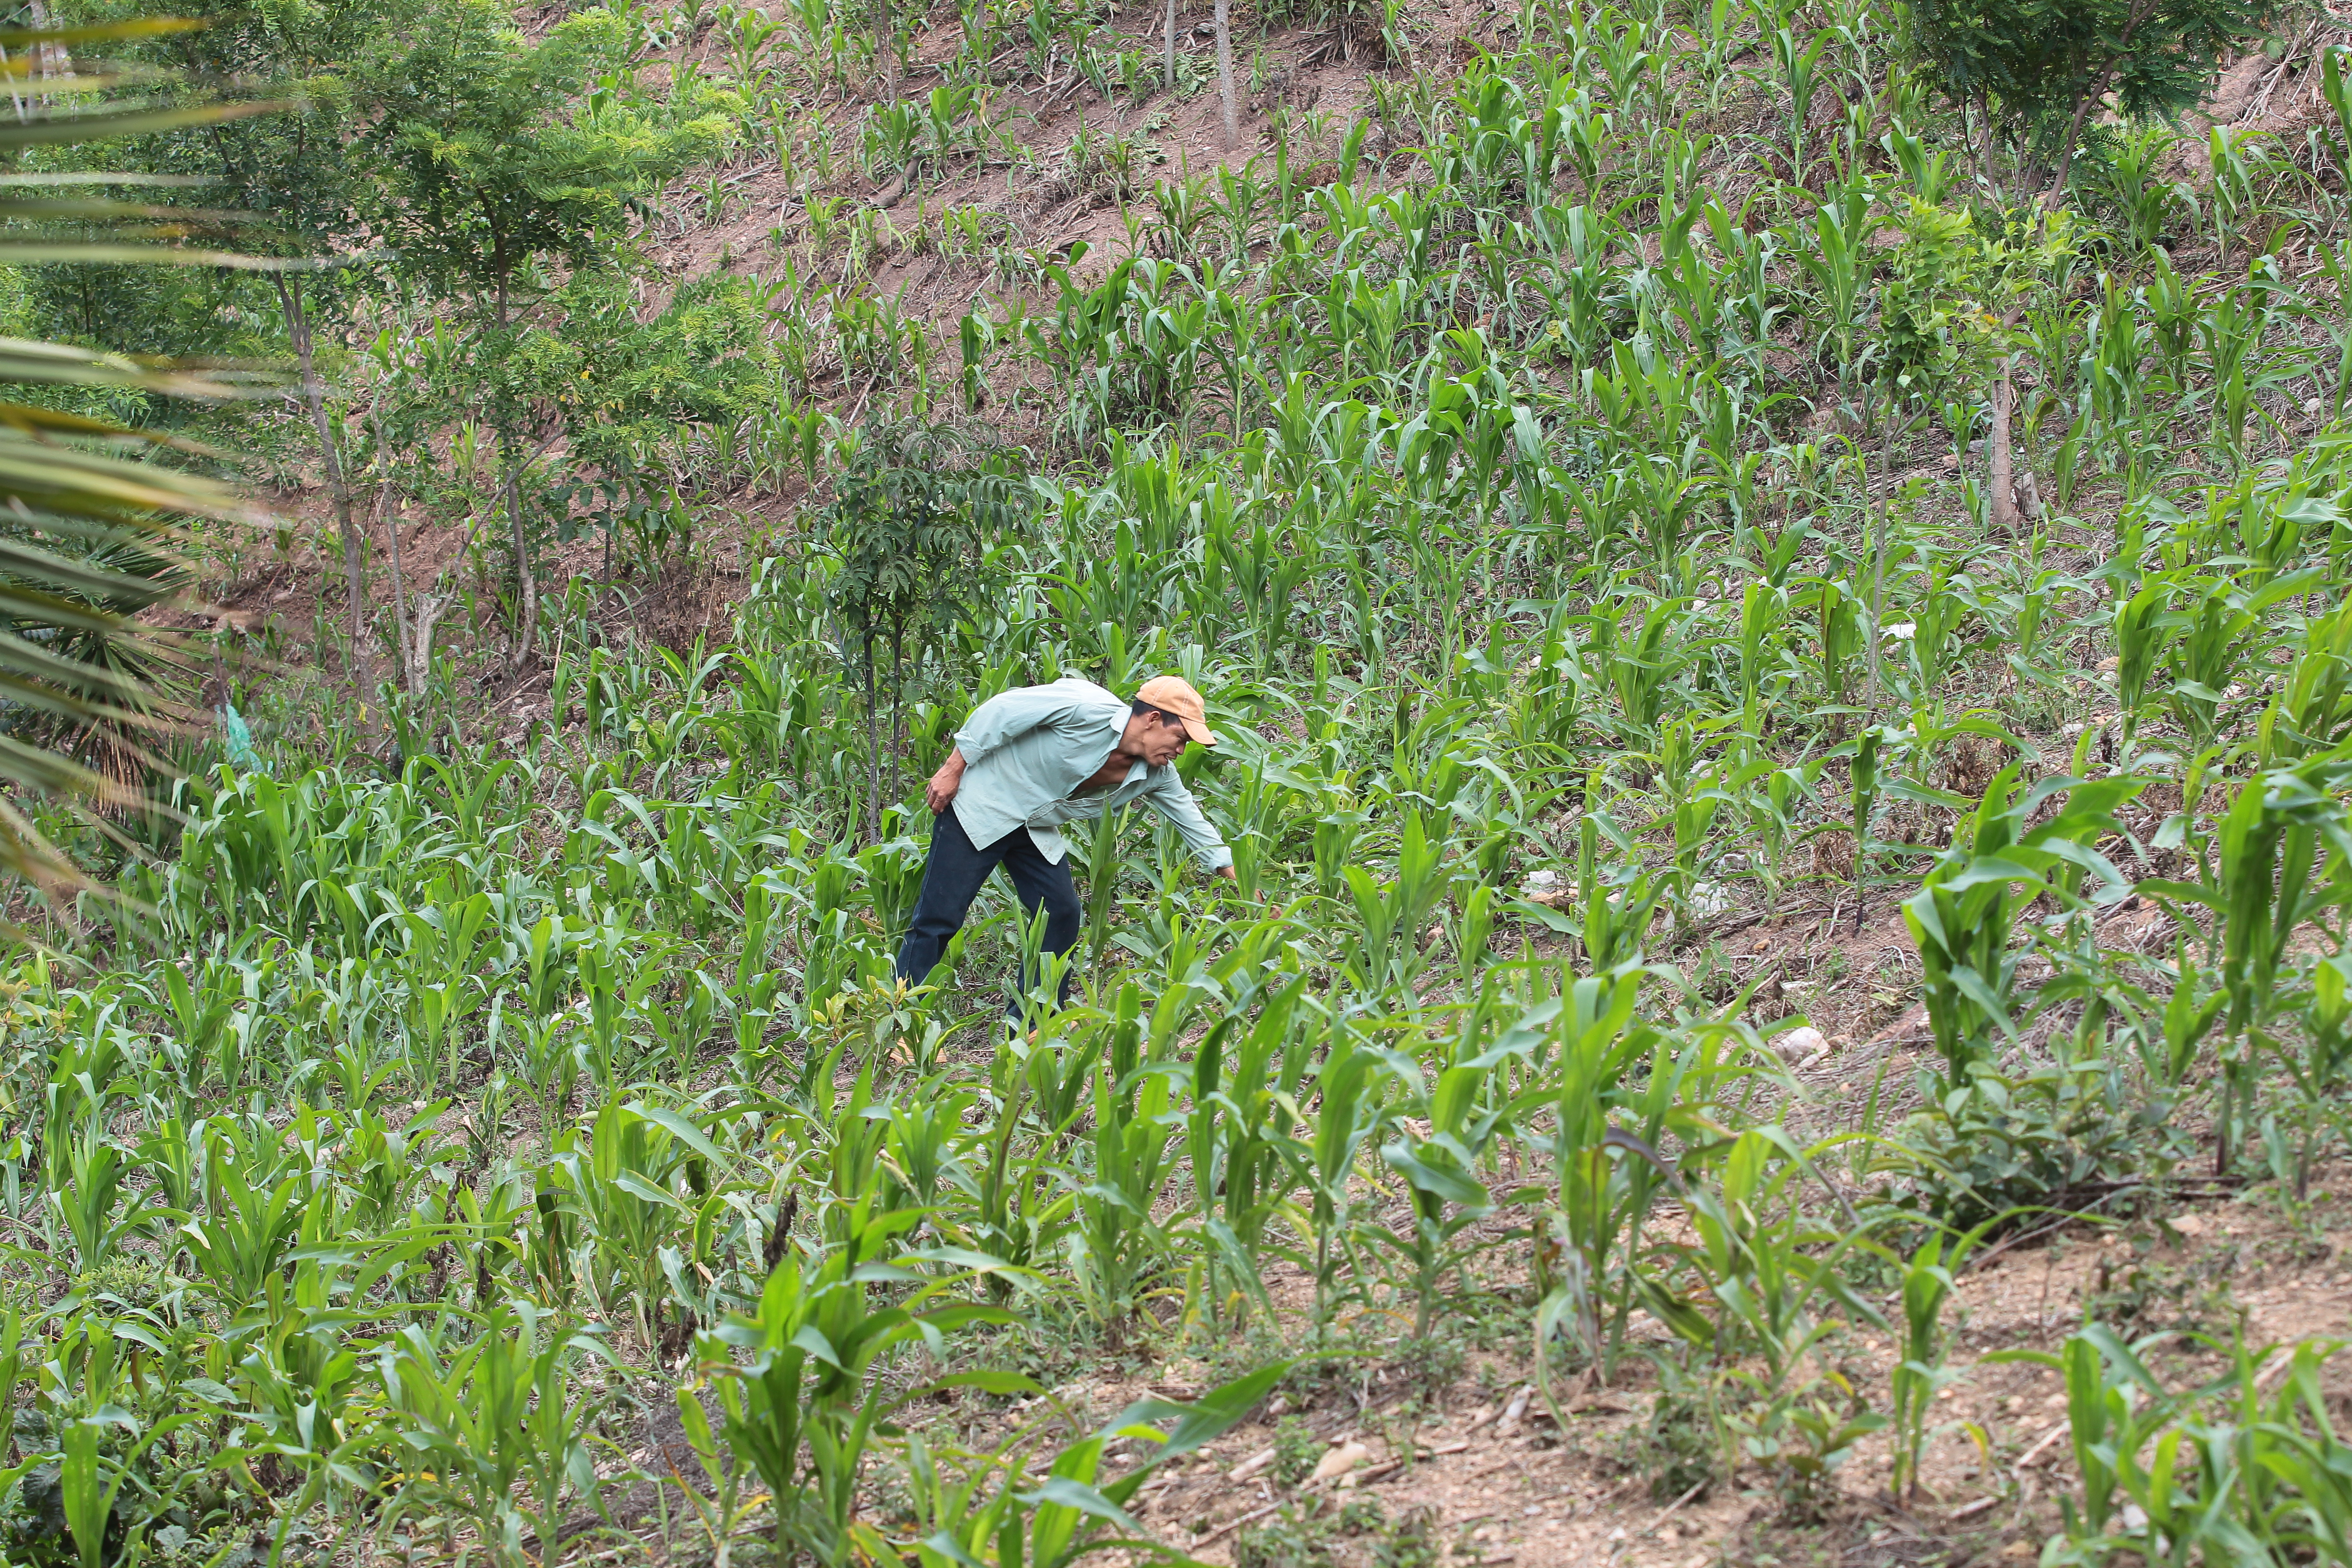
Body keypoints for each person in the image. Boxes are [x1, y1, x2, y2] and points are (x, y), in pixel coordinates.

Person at [894, 673, 1237, 1017]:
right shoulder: (1084, 707)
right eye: (1179, 738)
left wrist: (1242, 882)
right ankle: (904, 1024)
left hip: (1034, 826)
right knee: (939, 918)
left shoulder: (1157, 776)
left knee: (1060, 912)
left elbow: (1194, 823)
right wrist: (953, 768)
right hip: (983, 806)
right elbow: (1000, 711)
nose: (1180, 751)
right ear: (1152, 719)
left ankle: (1034, 1021)